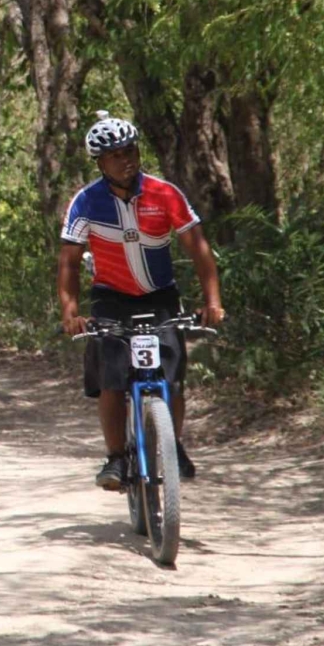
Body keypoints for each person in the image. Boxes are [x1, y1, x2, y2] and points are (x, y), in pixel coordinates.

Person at [58, 111, 226, 489]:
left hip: (160, 297)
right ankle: (116, 457)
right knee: (112, 379)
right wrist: (71, 313)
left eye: (131, 151)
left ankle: (173, 445)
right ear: (100, 163)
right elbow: (68, 263)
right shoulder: (86, 202)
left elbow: (199, 250)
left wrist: (212, 301)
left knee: (172, 377)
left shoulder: (164, 194)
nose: (127, 160)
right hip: (111, 300)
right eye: (115, 155)